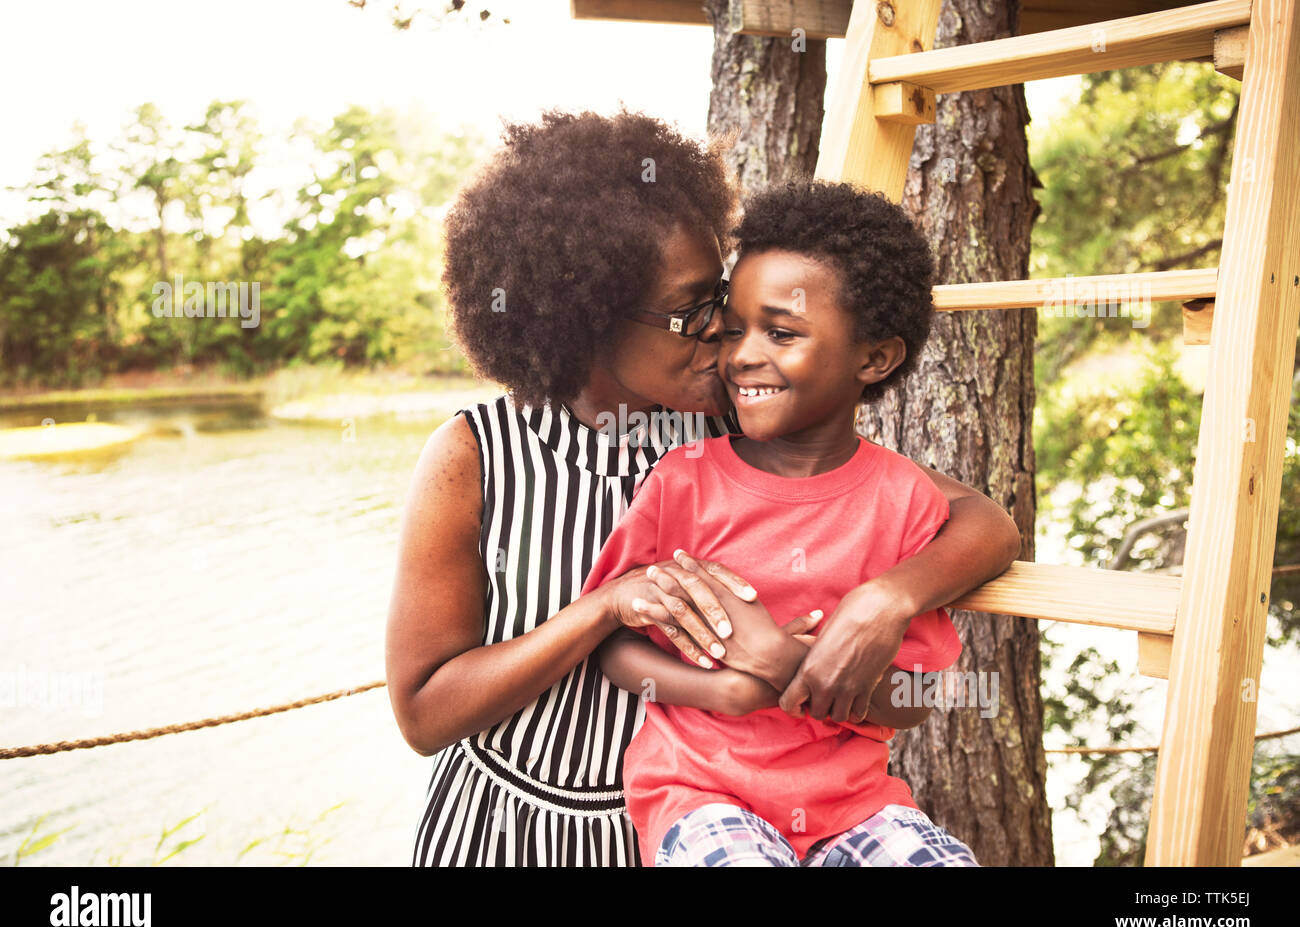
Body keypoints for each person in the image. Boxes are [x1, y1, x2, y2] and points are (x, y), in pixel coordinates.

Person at [385, 110, 1021, 866]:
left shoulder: (735, 427)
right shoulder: (474, 456)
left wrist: (890, 599)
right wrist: (603, 608)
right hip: (508, 830)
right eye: (693, 311)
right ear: (587, 316)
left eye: (718, 298)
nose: (723, 333)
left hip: (692, 826)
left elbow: (983, 524)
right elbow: (424, 713)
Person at [582, 179, 982, 866]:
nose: (739, 354)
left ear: (874, 358)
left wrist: (782, 662)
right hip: (700, 792)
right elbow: (612, 646)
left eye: (782, 332)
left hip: (857, 808)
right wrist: (725, 691)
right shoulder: (684, 482)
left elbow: (914, 701)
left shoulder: (906, 501)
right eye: (734, 327)